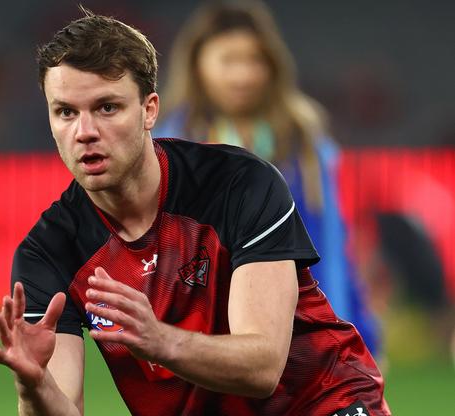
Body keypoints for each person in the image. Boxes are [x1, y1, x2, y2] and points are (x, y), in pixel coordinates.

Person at [0, 9, 400, 416]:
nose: (84, 131)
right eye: (65, 112)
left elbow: (263, 366)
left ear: (149, 110)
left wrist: (156, 339)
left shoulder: (240, 184)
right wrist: (33, 386)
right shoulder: (49, 251)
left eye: (107, 107)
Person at [153, 0, 381, 356]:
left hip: (302, 329)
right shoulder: (171, 143)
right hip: (207, 337)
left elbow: (331, 244)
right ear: (197, 64)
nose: (243, 75)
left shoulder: (302, 139)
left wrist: (355, 329)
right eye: (228, 61)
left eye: (254, 60)